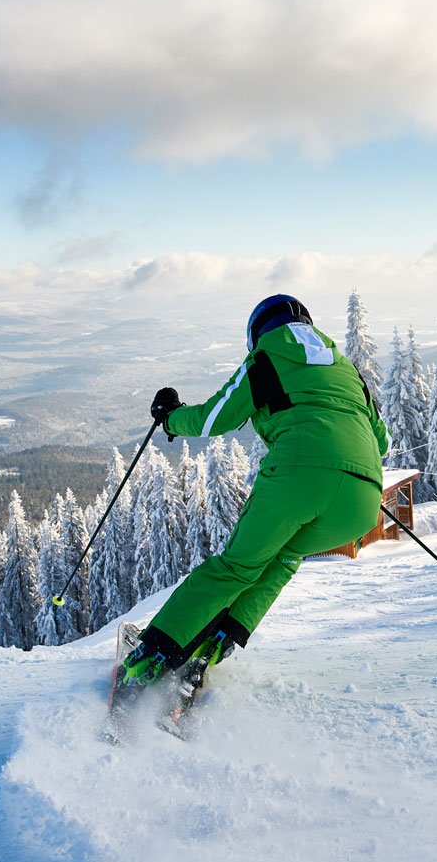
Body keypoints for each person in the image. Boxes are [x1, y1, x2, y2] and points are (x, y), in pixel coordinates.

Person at [112, 294, 388, 703]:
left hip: (298, 477)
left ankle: (148, 662)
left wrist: (169, 416)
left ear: (258, 332)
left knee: (235, 568)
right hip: (362, 499)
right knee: (282, 559)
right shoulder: (347, 370)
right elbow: (382, 440)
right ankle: (208, 649)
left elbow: (213, 417)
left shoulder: (265, 358)